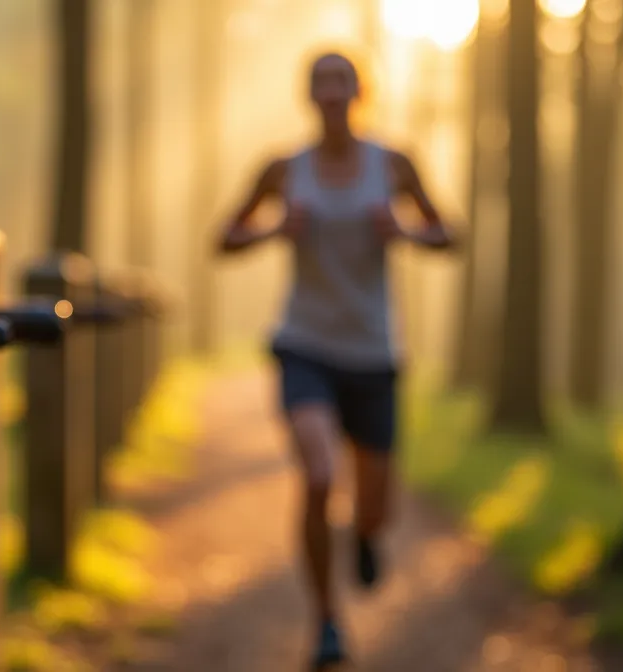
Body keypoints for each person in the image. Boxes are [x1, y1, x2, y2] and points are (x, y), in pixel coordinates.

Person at [217, 52, 455, 669]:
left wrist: (405, 231)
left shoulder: (393, 164)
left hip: (375, 354)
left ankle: (368, 535)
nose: (330, 92)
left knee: (375, 507)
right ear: (308, 96)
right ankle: (326, 620)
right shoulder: (283, 170)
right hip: (305, 347)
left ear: (358, 93)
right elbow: (224, 238)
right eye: (319, 82)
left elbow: (449, 234)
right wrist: (272, 229)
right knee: (320, 475)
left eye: (340, 81)